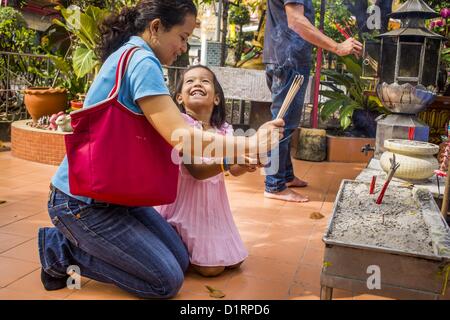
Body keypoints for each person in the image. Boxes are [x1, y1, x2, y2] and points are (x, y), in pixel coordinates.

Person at [38, 0, 284, 299]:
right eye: (182, 37)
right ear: (156, 28)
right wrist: (251, 141)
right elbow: (182, 136)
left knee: (180, 260)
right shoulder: (141, 61)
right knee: (164, 282)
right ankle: (60, 251)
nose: (183, 47)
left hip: (116, 194)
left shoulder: (132, 54)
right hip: (82, 202)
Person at [157, 65, 260, 277]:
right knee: (211, 269)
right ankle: (178, 242)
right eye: (190, 81)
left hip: (213, 208)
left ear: (216, 98)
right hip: (185, 207)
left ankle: (195, 248)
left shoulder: (223, 130)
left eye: (205, 81)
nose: (197, 84)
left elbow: (235, 170)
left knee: (235, 263)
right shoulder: (181, 128)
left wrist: (247, 163)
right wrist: (231, 159)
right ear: (179, 99)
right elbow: (196, 170)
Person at [263, 0, 362, 202]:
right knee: (281, 124)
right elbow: (296, 21)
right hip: (288, 61)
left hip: (283, 58)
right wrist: (337, 47)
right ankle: (274, 185)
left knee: (286, 123)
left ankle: (285, 176)